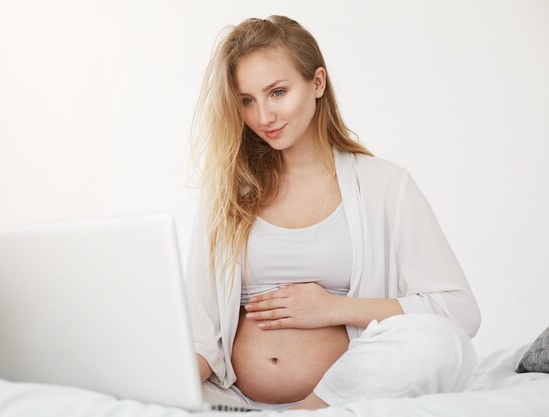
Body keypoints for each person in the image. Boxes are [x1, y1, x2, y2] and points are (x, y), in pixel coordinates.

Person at [185, 15, 481, 411]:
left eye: (277, 92)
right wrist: (166, 381)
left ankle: (309, 411)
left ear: (317, 83)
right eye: (247, 101)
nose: (263, 117)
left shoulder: (385, 185)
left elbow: (459, 311)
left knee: (445, 346)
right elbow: (201, 328)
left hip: (339, 398)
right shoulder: (227, 195)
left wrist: (333, 308)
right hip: (235, 397)